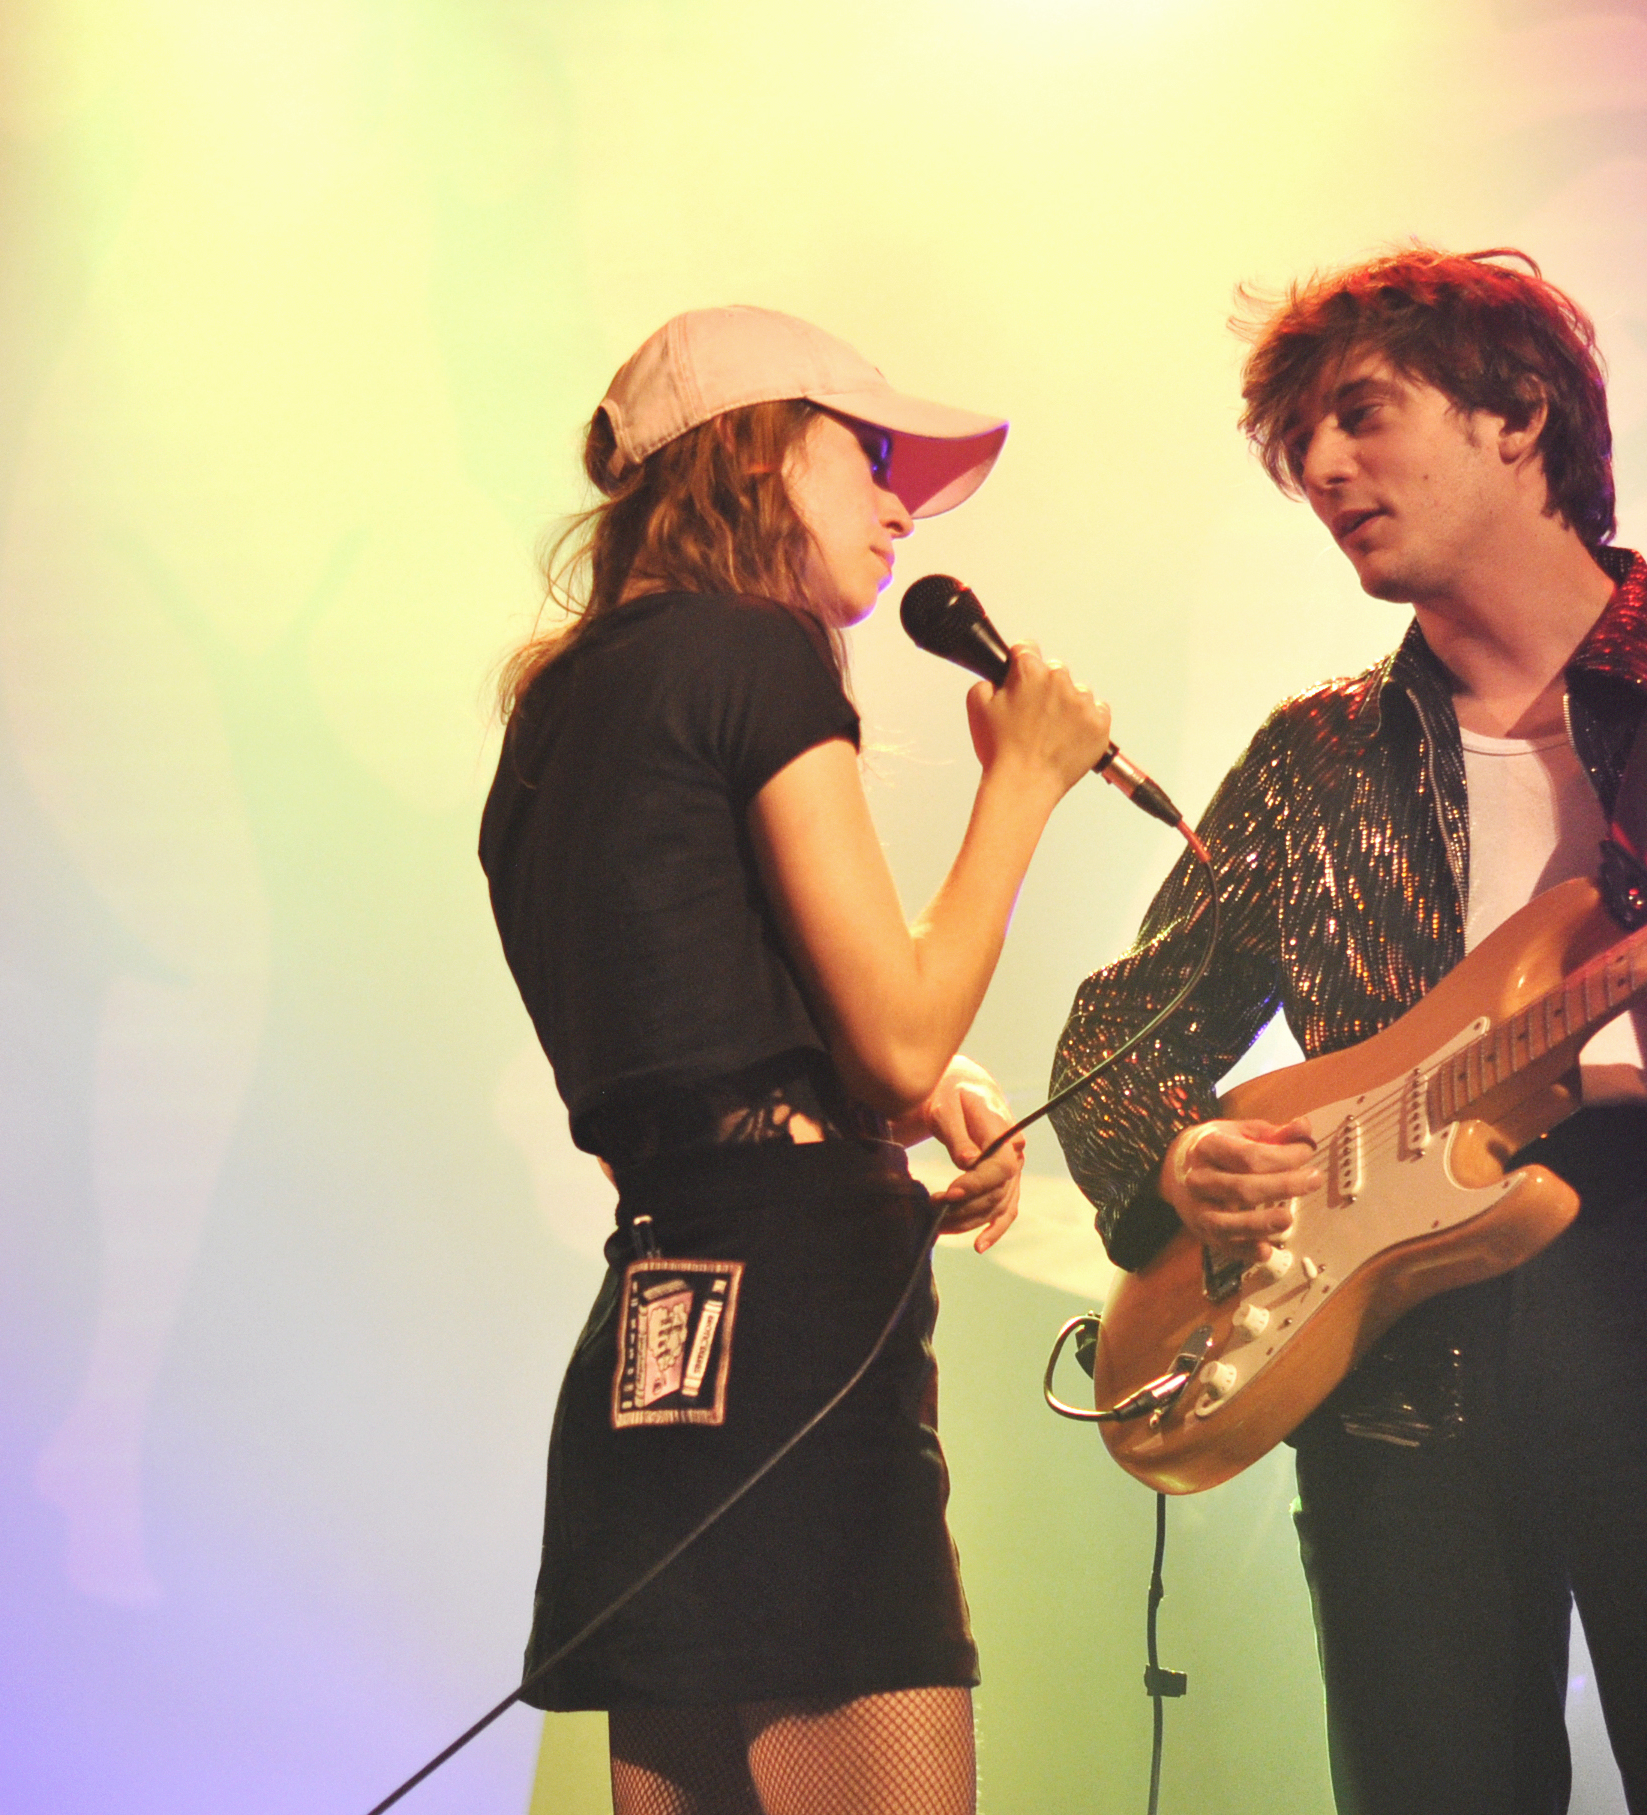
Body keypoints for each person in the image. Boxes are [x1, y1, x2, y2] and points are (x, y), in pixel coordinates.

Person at [1051, 248, 1647, 1814]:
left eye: (1360, 416)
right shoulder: (1312, 756)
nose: (1321, 470)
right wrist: (1178, 1157)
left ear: (1515, 415)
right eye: (1297, 445)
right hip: (1382, 1340)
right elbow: (1113, 1040)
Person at [481, 305, 1111, 1815]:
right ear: (759, 451)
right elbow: (897, 1035)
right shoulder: (755, 651)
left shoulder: (554, 714)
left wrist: (916, 1092)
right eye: (869, 454)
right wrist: (1024, 782)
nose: (901, 504)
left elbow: (691, 998)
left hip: (660, 1322)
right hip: (795, 1327)